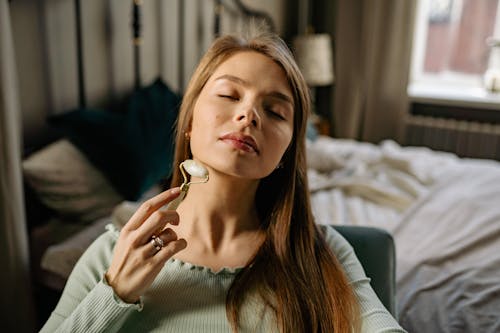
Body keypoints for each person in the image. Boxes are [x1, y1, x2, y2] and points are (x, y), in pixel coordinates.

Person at [40, 31, 406, 333]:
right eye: (230, 95)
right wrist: (114, 293)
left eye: (275, 111)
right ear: (190, 121)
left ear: (287, 152)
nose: (248, 114)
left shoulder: (319, 254)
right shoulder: (113, 253)